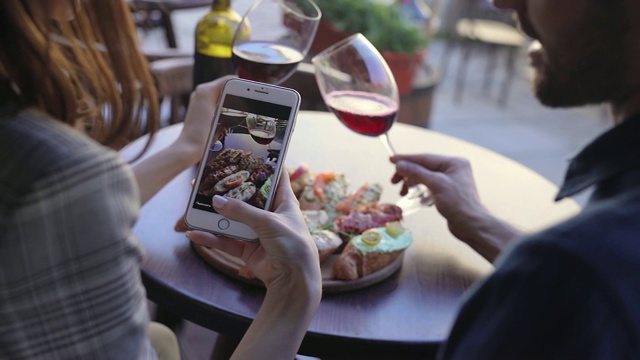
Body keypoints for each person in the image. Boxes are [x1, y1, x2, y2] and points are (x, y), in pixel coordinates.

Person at [0, 0, 321, 359]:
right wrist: (295, 292)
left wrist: (185, 149)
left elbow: (61, 216)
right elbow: (67, 195)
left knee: (163, 338)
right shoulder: (64, 173)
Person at [390, 0, 640, 358]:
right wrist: (480, 223)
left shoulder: (569, 282)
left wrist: (292, 304)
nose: (501, 2)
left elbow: (577, 283)